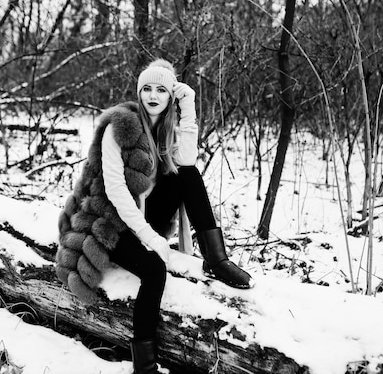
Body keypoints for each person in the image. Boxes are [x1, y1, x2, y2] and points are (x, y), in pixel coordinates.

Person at [55, 59, 254, 374]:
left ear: (170, 97)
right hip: (109, 222)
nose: (152, 95)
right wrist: (149, 238)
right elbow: (117, 192)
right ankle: (144, 368)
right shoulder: (118, 127)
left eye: (161, 89)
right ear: (138, 92)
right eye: (146, 88)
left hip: (143, 216)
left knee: (188, 175)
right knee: (154, 270)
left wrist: (187, 106)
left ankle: (216, 259)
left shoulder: (165, 129)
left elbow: (186, 160)